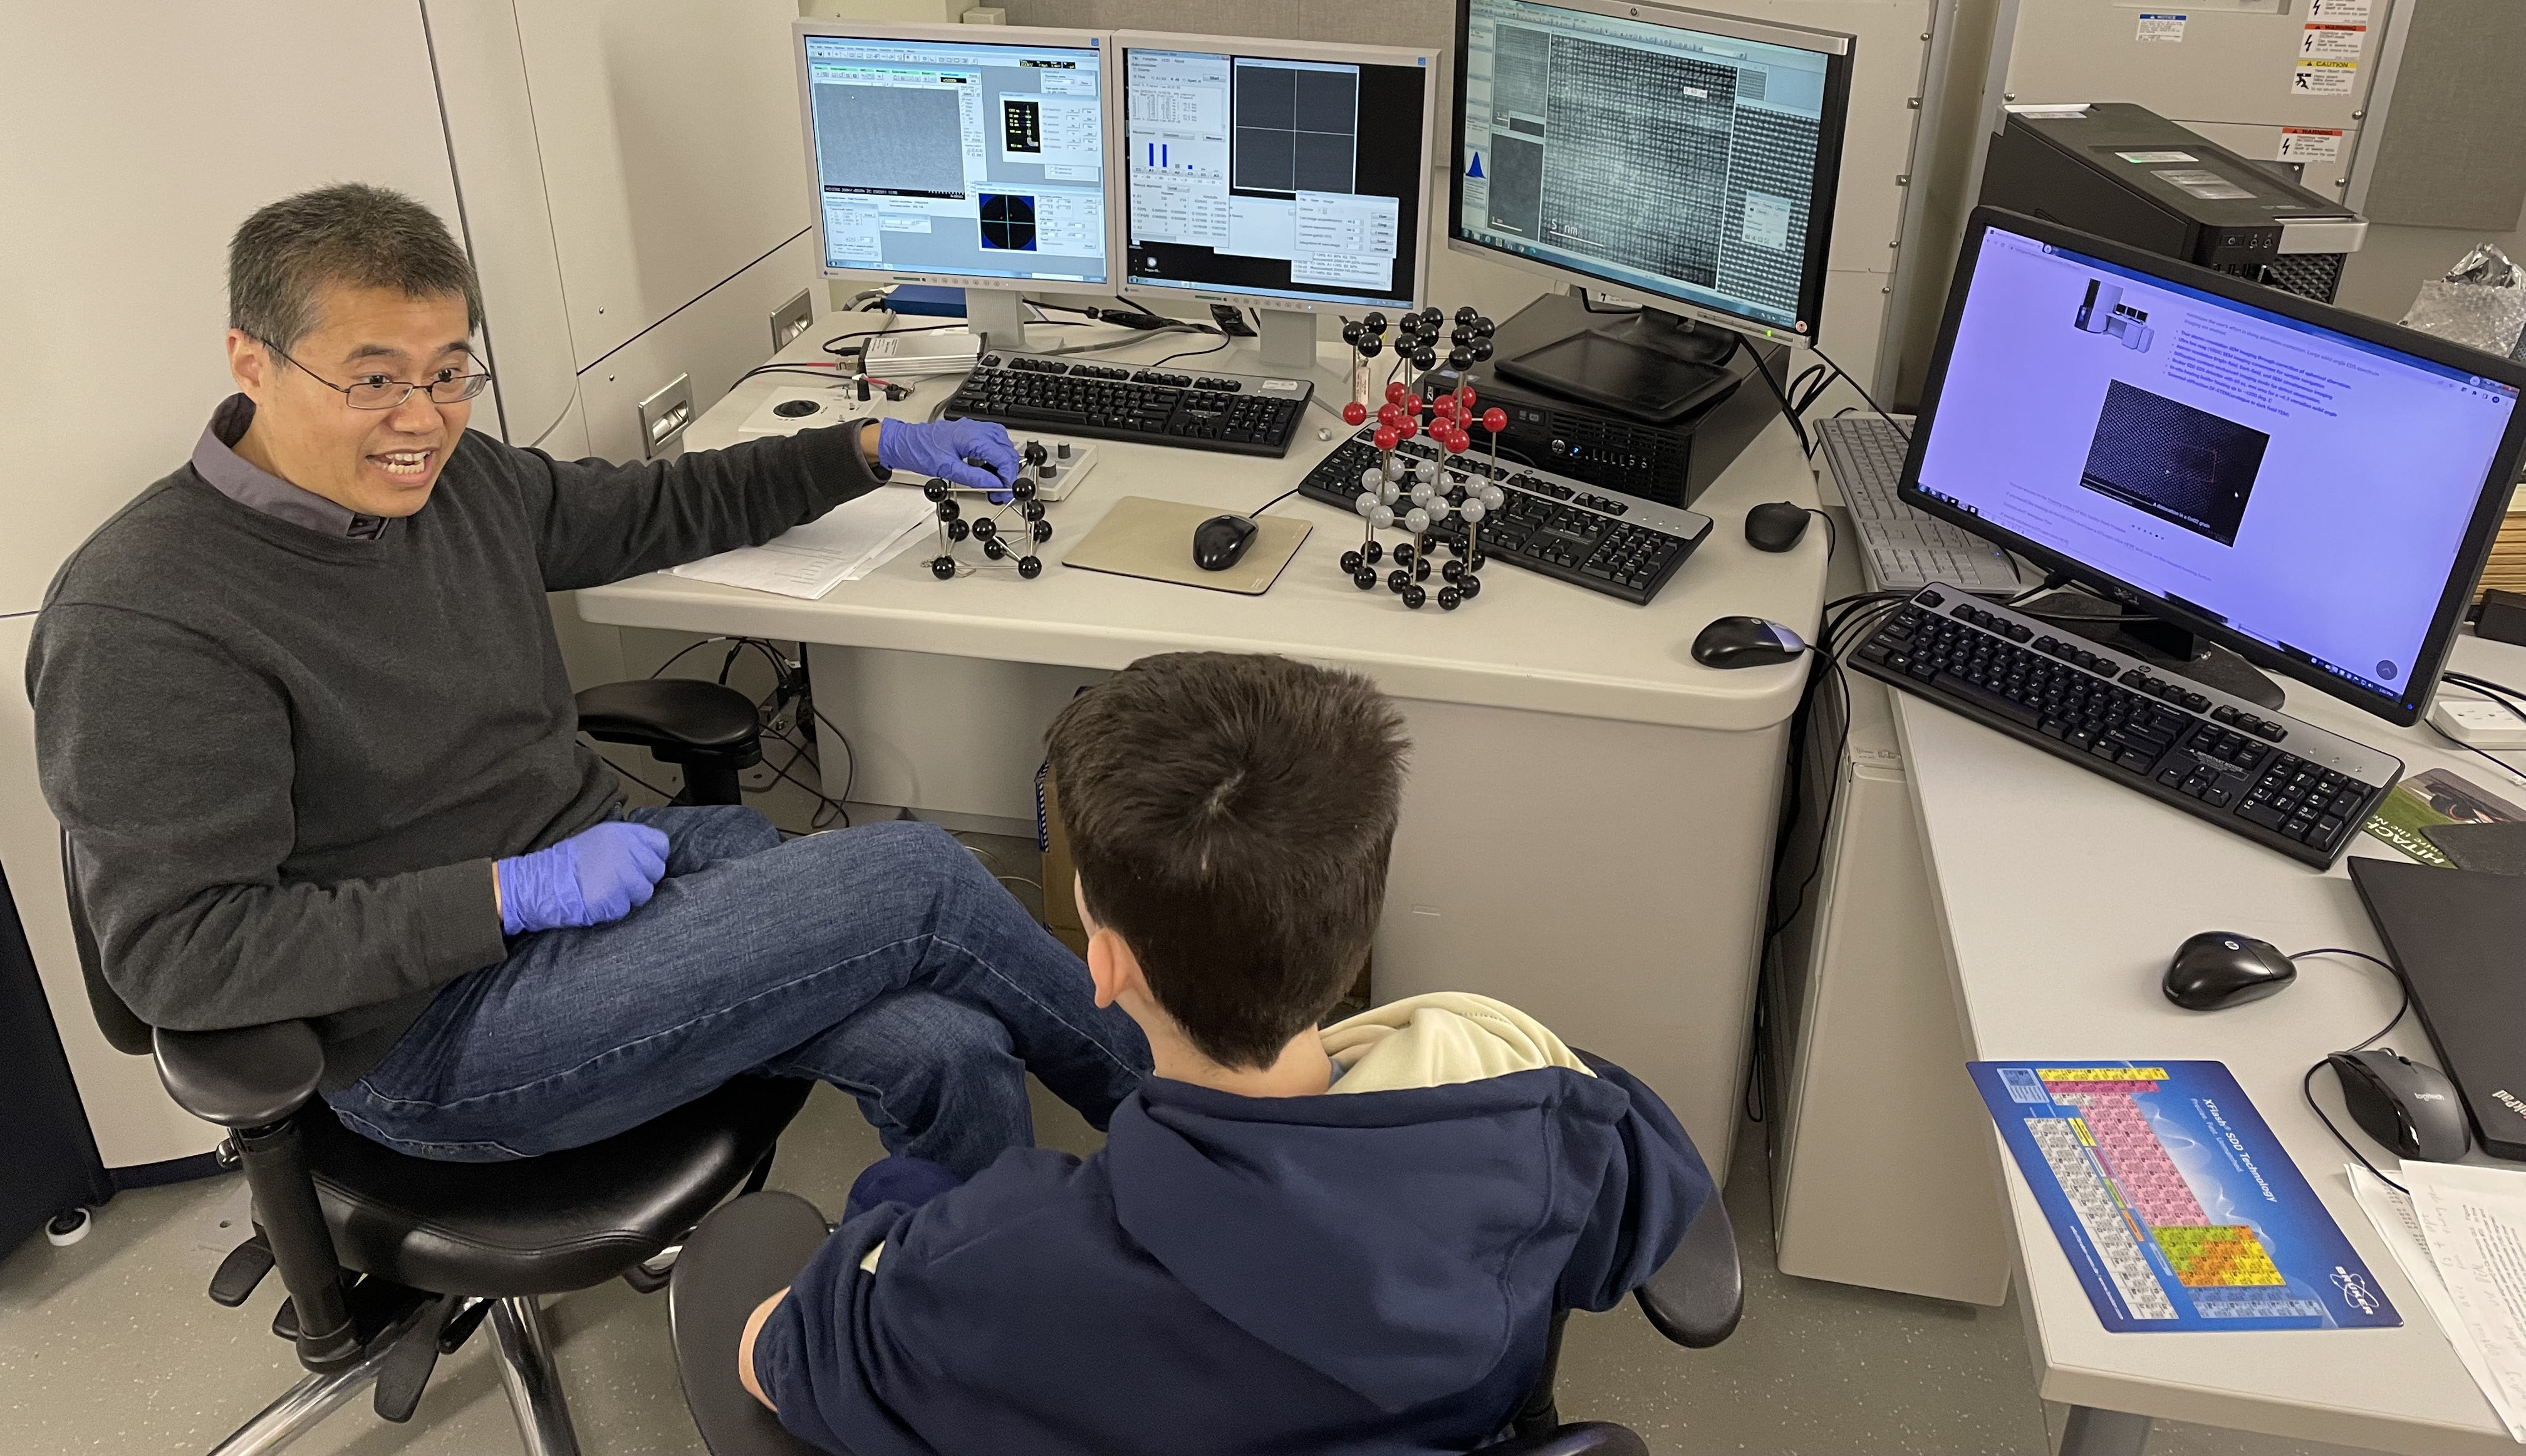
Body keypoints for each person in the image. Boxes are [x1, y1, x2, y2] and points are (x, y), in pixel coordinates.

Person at [29, 184, 1147, 1172]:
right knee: (915, 873)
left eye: (448, 372)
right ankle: (1204, 1144)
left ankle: (972, 1314)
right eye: (373, 381)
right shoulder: (146, 617)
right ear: (250, 362)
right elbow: (179, 960)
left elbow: (650, 510)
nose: (422, 420)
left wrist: (864, 450)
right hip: (431, 1032)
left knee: (948, 1049)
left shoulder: (455, 481)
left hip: (600, 889)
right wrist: (511, 897)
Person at [737, 650, 1715, 1456]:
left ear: (1107, 963)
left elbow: (771, 1351)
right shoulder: (1522, 1101)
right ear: (1353, 933)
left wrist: (899, 1210)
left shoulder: (1011, 1266)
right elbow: (1654, 1200)